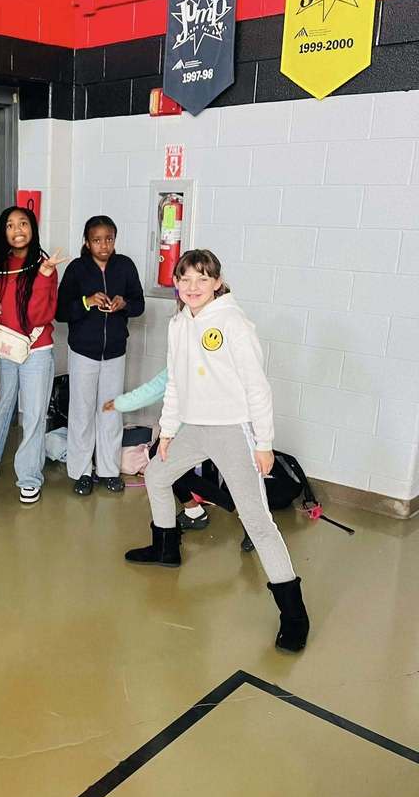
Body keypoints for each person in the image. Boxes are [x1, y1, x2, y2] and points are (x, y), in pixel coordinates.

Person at [124, 249, 310, 653]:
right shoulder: (178, 325)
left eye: (201, 279)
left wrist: (263, 443)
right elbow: (176, 385)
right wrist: (169, 431)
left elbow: (258, 388)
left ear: (217, 282)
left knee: (257, 520)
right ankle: (165, 547)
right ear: (176, 282)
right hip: (194, 427)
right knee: (156, 474)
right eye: (185, 279)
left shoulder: (233, 322)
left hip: (232, 431)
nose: (193, 287)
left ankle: (294, 614)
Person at [0, 206, 66, 504]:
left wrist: (43, 275)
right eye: (11, 225)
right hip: (2, 352)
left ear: (33, 228)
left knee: (33, 416)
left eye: (24, 224)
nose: (18, 230)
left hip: (36, 352)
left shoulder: (45, 265)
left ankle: (29, 478)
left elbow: (39, 314)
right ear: (3, 231)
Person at [56, 215, 144, 496]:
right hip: (83, 352)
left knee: (110, 411)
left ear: (115, 240)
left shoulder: (125, 266)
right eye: (97, 240)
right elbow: (60, 312)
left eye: (109, 239)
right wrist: (87, 302)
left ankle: (108, 469)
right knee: (81, 412)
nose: (103, 245)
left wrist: (123, 304)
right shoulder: (77, 269)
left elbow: (139, 304)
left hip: (115, 352)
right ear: (87, 242)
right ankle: (81, 471)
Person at [103, 369, 242, 537]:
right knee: (164, 463)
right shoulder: (187, 357)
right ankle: (196, 511)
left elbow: (153, 390)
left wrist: (119, 404)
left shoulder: (191, 359)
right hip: (191, 430)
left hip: (205, 431)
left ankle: (232, 506)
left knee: (165, 465)